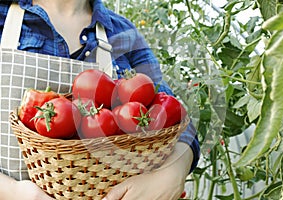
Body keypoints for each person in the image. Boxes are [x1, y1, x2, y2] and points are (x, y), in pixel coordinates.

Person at [0, 0, 200, 199]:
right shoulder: (3, 19)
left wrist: (173, 172)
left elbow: (175, 117)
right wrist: (12, 192)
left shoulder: (122, 32)